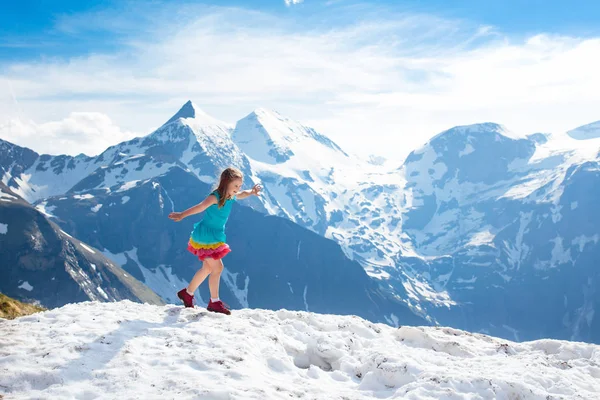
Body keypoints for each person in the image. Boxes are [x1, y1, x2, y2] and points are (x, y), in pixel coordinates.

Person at [168, 167, 261, 314]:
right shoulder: (215, 197)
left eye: (239, 186)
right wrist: (182, 215)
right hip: (206, 237)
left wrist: (252, 192)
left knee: (207, 268)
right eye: (235, 185)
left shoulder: (231, 196)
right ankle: (214, 302)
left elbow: (243, 194)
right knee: (217, 268)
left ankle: (187, 293)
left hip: (214, 235)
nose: (238, 189)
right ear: (226, 183)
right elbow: (200, 207)